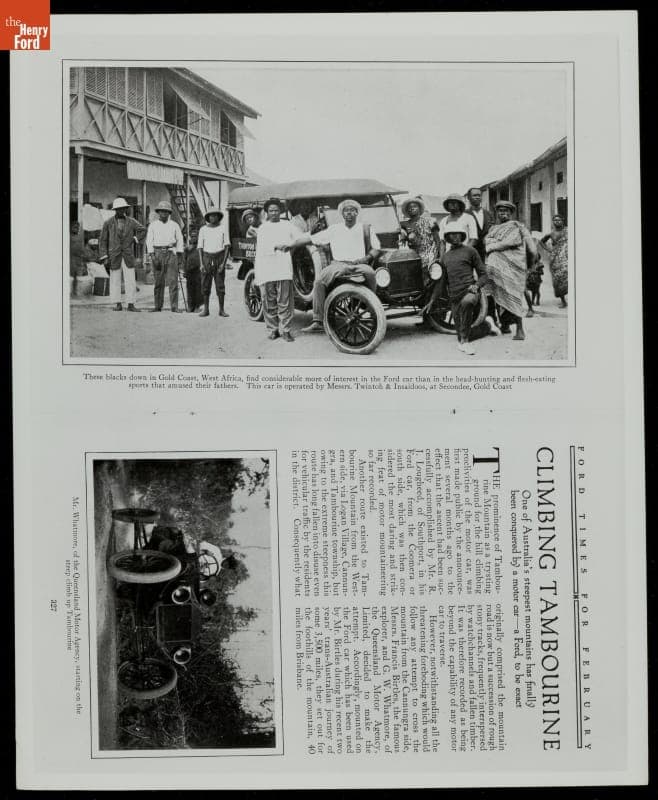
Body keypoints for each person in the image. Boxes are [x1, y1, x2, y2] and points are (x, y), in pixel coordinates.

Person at [296, 198, 381, 332]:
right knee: (319, 282)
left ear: (357, 213)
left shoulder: (366, 228)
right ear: (342, 214)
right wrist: (291, 244)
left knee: (371, 273)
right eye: (346, 211)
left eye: (352, 210)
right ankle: (318, 320)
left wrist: (366, 258)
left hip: (359, 264)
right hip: (338, 265)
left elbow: (376, 248)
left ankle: (370, 306)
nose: (349, 213)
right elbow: (312, 239)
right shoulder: (334, 229)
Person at [484, 200, 537, 341]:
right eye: (500, 211)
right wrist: (494, 245)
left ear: (511, 213)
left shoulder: (518, 227)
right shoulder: (493, 229)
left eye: (506, 211)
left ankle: (520, 330)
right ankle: (505, 325)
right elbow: (487, 241)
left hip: (514, 268)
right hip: (495, 268)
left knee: (514, 296)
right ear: (497, 213)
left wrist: (530, 266)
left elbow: (527, 247)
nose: (503, 213)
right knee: (498, 295)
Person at [252, 197, 298, 342]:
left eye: (276, 210)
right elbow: (261, 250)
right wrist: (275, 247)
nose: (274, 213)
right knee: (269, 301)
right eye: (271, 211)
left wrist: (290, 246)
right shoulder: (263, 228)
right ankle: (273, 329)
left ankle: (286, 330)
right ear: (267, 212)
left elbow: (299, 238)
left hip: (283, 267)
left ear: (280, 211)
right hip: (267, 268)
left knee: (284, 301)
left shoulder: (288, 225)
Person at [98, 198, 146, 312]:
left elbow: (143, 230)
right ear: (115, 210)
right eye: (119, 209)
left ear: (126, 209)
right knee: (115, 279)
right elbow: (103, 240)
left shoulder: (131, 221)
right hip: (114, 255)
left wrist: (135, 238)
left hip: (128, 255)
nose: (121, 210)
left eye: (123, 208)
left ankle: (131, 304)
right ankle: (117, 303)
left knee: (130, 279)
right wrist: (104, 256)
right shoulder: (108, 222)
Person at [145, 200, 184, 312]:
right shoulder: (153, 225)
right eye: (161, 211)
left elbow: (180, 240)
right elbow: (149, 241)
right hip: (157, 253)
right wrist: (153, 257)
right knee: (158, 281)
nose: (164, 213)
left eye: (166, 211)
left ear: (169, 213)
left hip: (171, 252)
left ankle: (174, 306)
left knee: (173, 281)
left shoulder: (174, 225)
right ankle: (158, 306)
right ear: (158, 212)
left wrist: (179, 256)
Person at [197, 207, 229, 318]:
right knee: (205, 284)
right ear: (208, 217)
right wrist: (201, 264)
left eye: (215, 215)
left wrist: (223, 263)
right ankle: (206, 309)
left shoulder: (223, 228)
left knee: (220, 285)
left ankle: (221, 310)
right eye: (211, 216)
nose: (213, 217)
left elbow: (227, 246)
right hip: (207, 257)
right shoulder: (203, 229)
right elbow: (200, 247)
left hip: (219, 257)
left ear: (218, 217)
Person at [540, 214, 568, 307]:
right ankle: (563, 301)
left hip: (566, 257)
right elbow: (541, 242)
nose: (557, 222)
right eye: (555, 220)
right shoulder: (551, 233)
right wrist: (549, 250)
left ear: (562, 221)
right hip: (555, 259)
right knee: (557, 280)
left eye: (559, 220)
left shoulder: (568, 231)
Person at [465, 187, 495, 262]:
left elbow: (493, 229)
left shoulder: (488, 214)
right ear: (469, 198)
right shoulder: (464, 214)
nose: (477, 197)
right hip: (469, 250)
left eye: (479, 195)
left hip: (485, 251)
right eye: (474, 195)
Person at [183, 228, 203, 313]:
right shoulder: (187, 248)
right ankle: (190, 306)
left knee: (198, 288)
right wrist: (184, 270)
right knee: (189, 288)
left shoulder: (201, 246)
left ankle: (197, 306)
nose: (193, 238)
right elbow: (184, 260)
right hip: (189, 270)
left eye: (195, 236)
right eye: (192, 236)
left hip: (198, 270)